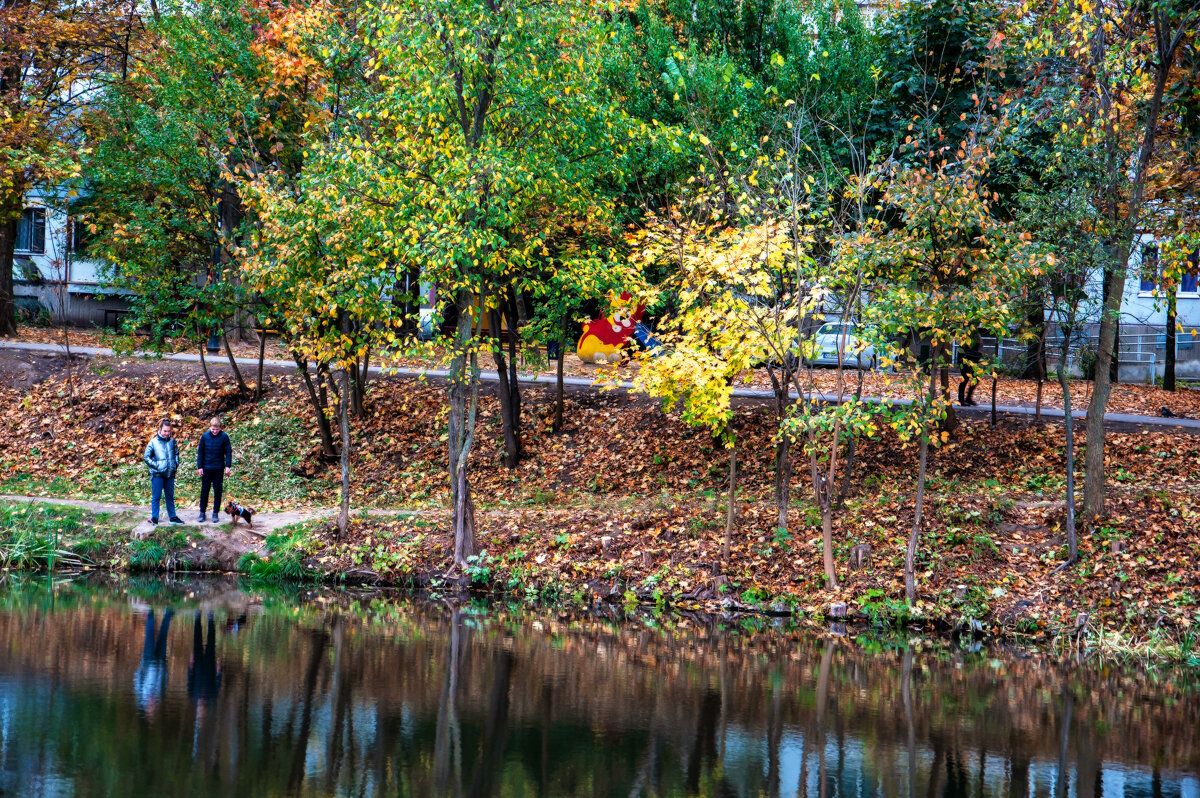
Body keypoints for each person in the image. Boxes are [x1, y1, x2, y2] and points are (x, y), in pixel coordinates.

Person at [144, 418, 182, 525]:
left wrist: (175, 464)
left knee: (170, 496)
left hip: (170, 473)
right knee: (156, 496)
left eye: (169, 431)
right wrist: (157, 466)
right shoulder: (153, 442)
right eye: (165, 431)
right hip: (157, 474)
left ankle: (173, 517)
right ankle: (154, 517)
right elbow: (146, 457)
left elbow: (176, 454)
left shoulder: (172, 442)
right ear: (160, 430)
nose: (167, 433)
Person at [195, 415, 232, 523]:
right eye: (213, 429)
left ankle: (215, 513)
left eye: (217, 429)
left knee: (217, 491)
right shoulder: (205, 436)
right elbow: (200, 452)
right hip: (206, 468)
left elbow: (228, 452)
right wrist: (200, 467)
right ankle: (202, 512)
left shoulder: (224, 437)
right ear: (210, 427)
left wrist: (228, 466)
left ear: (220, 428)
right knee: (204, 490)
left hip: (218, 468)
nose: (215, 431)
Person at [958, 331, 983, 407]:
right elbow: (962, 349)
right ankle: (961, 399)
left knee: (977, 377)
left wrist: (978, 356)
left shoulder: (976, 335)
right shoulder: (965, 335)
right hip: (965, 359)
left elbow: (980, 347)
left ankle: (968, 397)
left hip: (974, 358)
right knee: (965, 378)